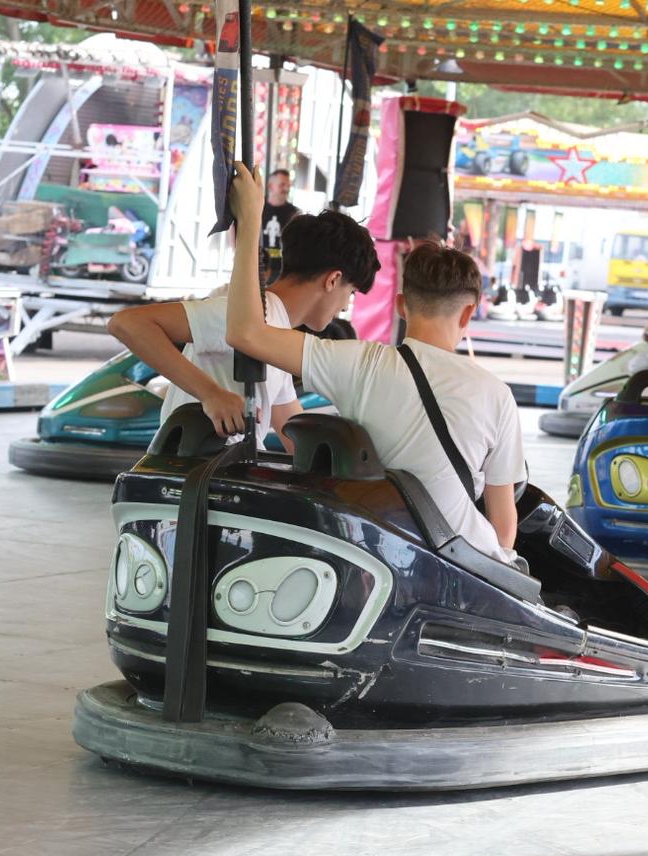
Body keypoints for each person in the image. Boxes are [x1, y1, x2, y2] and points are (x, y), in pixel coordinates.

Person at [224, 163, 526, 566]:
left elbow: (245, 333)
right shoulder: (497, 395)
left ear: (401, 306)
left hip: (380, 554)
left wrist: (250, 224)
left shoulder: (358, 363)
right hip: (468, 564)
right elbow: (503, 523)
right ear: (468, 314)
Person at [108, 207, 379, 446]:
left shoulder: (276, 333)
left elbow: (295, 432)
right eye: (350, 293)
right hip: (200, 480)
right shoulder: (251, 314)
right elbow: (127, 323)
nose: (345, 307)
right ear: (333, 280)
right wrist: (211, 394)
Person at [261, 168, 300, 287]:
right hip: (258, 265)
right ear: (271, 186)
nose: (286, 189)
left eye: (288, 185)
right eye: (282, 185)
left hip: (283, 270)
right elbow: (236, 226)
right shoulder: (258, 207)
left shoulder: (294, 213)